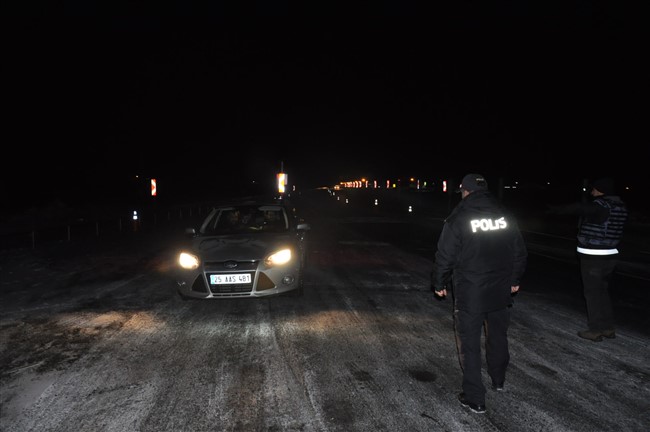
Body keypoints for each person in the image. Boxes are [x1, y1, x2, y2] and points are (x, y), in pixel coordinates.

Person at [431, 173, 527, 414]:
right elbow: (519, 251)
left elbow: (445, 254)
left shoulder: (459, 217)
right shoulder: (505, 215)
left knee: (470, 343)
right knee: (498, 335)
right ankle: (498, 380)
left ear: (465, 191)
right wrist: (514, 280)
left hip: (471, 290)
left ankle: (475, 398)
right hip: (500, 288)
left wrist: (439, 282)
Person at [547, 177, 628, 342]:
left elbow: (578, 208)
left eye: (594, 189)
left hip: (594, 257)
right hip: (610, 255)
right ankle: (608, 327)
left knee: (592, 294)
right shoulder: (620, 207)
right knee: (602, 292)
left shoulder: (600, 206)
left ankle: (595, 330)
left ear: (601, 190)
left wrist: (553, 209)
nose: (591, 192)